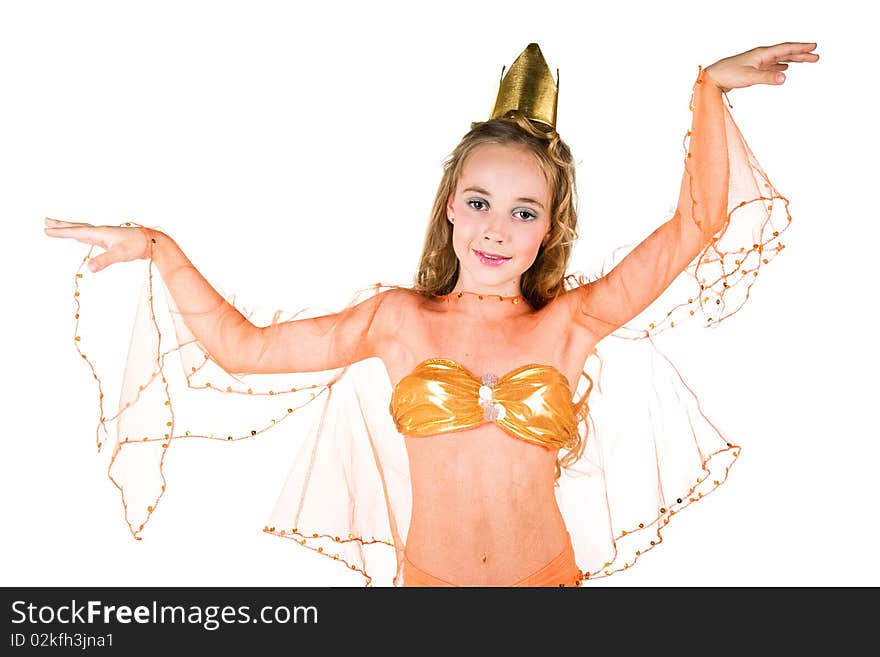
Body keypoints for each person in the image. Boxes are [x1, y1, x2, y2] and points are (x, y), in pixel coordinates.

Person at [44, 41, 818, 587]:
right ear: (451, 206)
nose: (495, 229)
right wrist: (158, 245)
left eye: (523, 212)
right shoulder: (398, 321)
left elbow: (696, 225)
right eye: (480, 203)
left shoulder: (571, 322)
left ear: (549, 228)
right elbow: (242, 350)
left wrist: (708, 90)